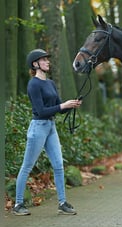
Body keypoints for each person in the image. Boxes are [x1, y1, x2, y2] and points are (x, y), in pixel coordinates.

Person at [12, 49, 82, 216]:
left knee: (58, 165)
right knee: (27, 166)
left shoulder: (50, 83)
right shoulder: (33, 84)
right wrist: (62, 106)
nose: (47, 62)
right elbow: (41, 111)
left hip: (50, 127)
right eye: (43, 60)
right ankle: (18, 204)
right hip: (38, 128)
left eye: (47, 60)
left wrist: (71, 105)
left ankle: (62, 202)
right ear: (35, 64)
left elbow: (59, 108)